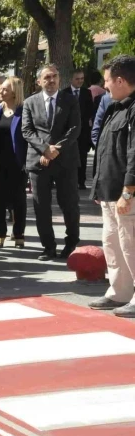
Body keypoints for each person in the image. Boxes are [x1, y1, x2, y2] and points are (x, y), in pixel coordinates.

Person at [88, 55, 135, 317]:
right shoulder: (113, 106)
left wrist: (128, 191)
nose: (104, 86)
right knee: (112, 243)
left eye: (107, 81)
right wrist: (98, 187)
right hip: (108, 191)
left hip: (126, 193)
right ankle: (120, 292)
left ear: (120, 80)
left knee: (131, 244)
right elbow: (105, 150)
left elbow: (134, 154)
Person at [22, 64, 81, 260]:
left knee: (70, 204)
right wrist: (45, 149)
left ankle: (71, 244)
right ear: (39, 81)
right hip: (39, 163)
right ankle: (48, 247)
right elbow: (27, 131)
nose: (51, 80)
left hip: (65, 161)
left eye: (54, 76)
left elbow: (75, 128)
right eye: (47, 77)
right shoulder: (30, 102)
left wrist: (55, 149)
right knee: (41, 207)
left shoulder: (70, 100)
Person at [0, 77, 28, 249]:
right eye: (0, 88)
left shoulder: (24, 111)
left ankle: (19, 233)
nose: (0, 91)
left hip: (17, 162)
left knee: (18, 199)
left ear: (14, 92)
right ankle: (1, 233)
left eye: (5, 89)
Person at [61, 69, 95, 189]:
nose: (80, 81)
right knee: (68, 156)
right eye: (77, 79)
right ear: (71, 79)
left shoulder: (87, 93)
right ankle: (68, 180)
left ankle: (81, 181)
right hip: (68, 130)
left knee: (82, 156)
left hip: (83, 130)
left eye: (82, 78)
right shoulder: (64, 93)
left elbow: (90, 110)